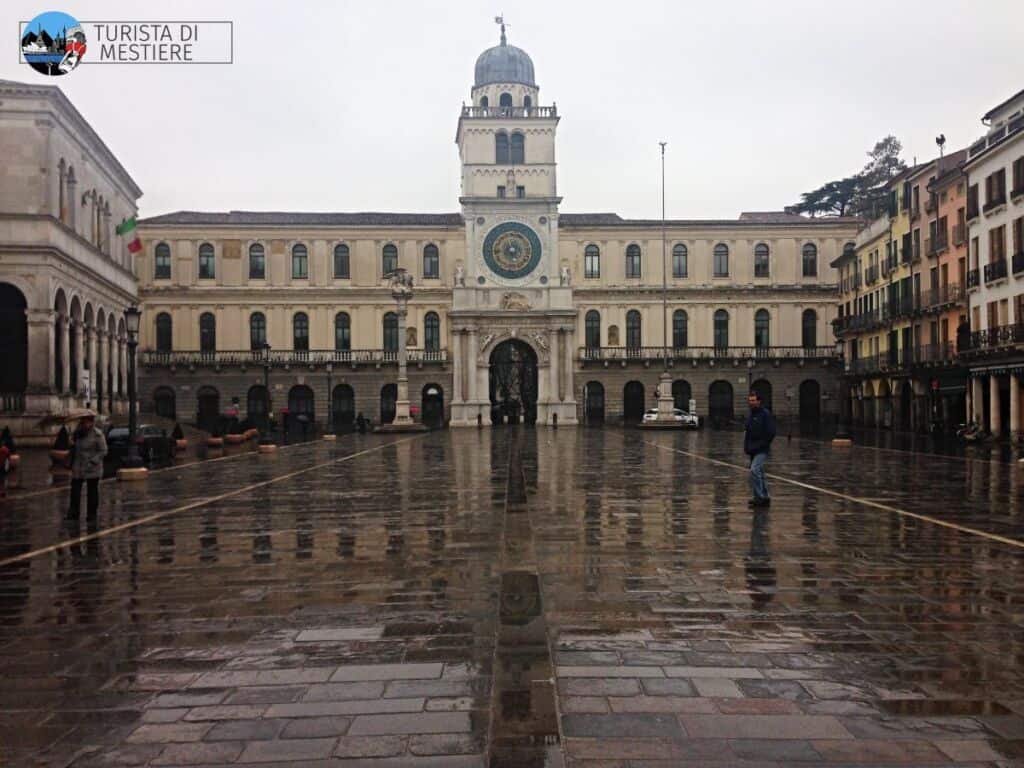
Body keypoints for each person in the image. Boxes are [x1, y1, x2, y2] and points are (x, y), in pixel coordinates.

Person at [68, 414, 107, 520]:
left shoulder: (97, 434)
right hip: (78, 466)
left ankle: (91, 514)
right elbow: (74, 447)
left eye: (86, 421)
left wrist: (93, 461)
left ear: (91, 422)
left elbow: (103, 451)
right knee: (75, 491)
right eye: (82, 421)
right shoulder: (77, 433)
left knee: (92, 491)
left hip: (92, 467)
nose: (84, 423)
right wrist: (71, 443)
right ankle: (73, 512)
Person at [743, 390, 776, 508]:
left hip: (762, 449)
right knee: (760, 473)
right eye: (750, 400)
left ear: (759, 401)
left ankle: (759, 497)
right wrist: (746, 447)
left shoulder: (765, 414)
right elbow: (747, 433)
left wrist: (763, 444)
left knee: (754, 470)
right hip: (752, 449)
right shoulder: (751, 415)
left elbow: (771, 432)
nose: (751, 402)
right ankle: (765, 497)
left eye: (753, 400)